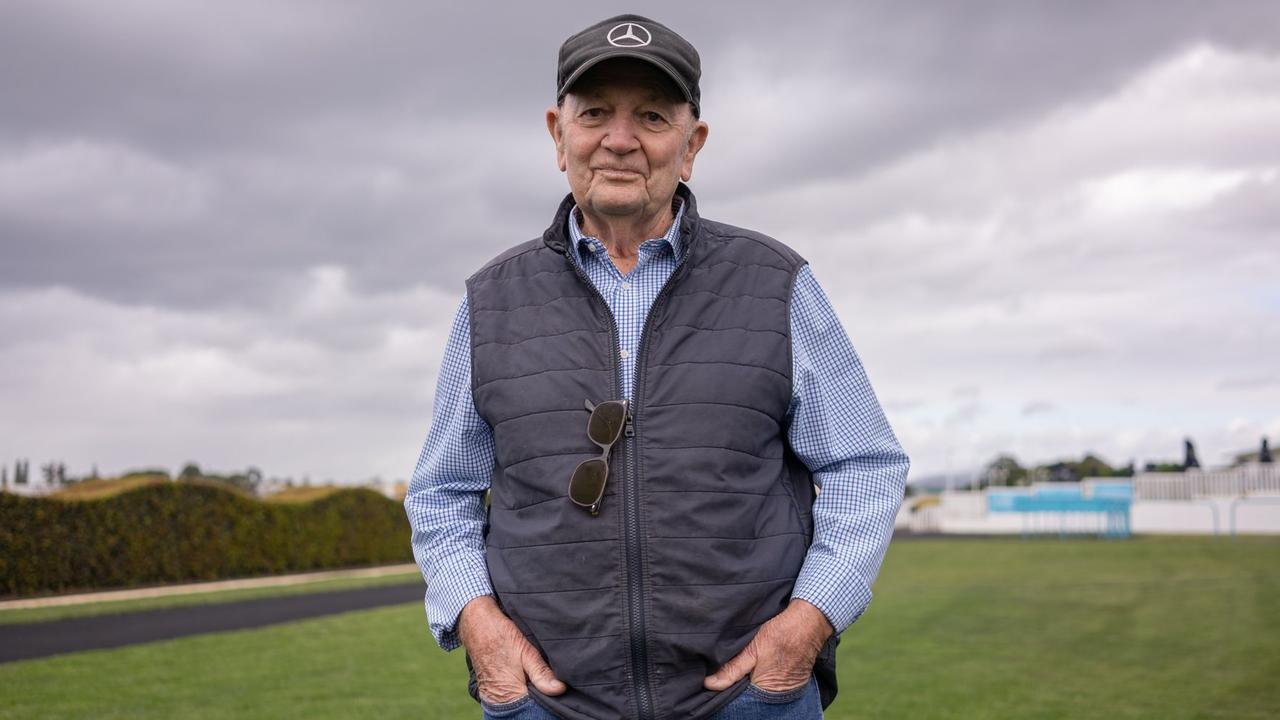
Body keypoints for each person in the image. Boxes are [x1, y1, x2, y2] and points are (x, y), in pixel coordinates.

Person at [404, 14, 909, 720]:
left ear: (692, 143)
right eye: (595, 114)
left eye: (650, 115)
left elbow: (865, 465)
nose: (619, 139)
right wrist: (482, 633)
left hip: (749, 699)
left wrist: (808, 623)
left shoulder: (777, 284)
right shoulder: (490, 301)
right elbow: (440, 493)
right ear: (558, 134)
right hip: (545, 705)